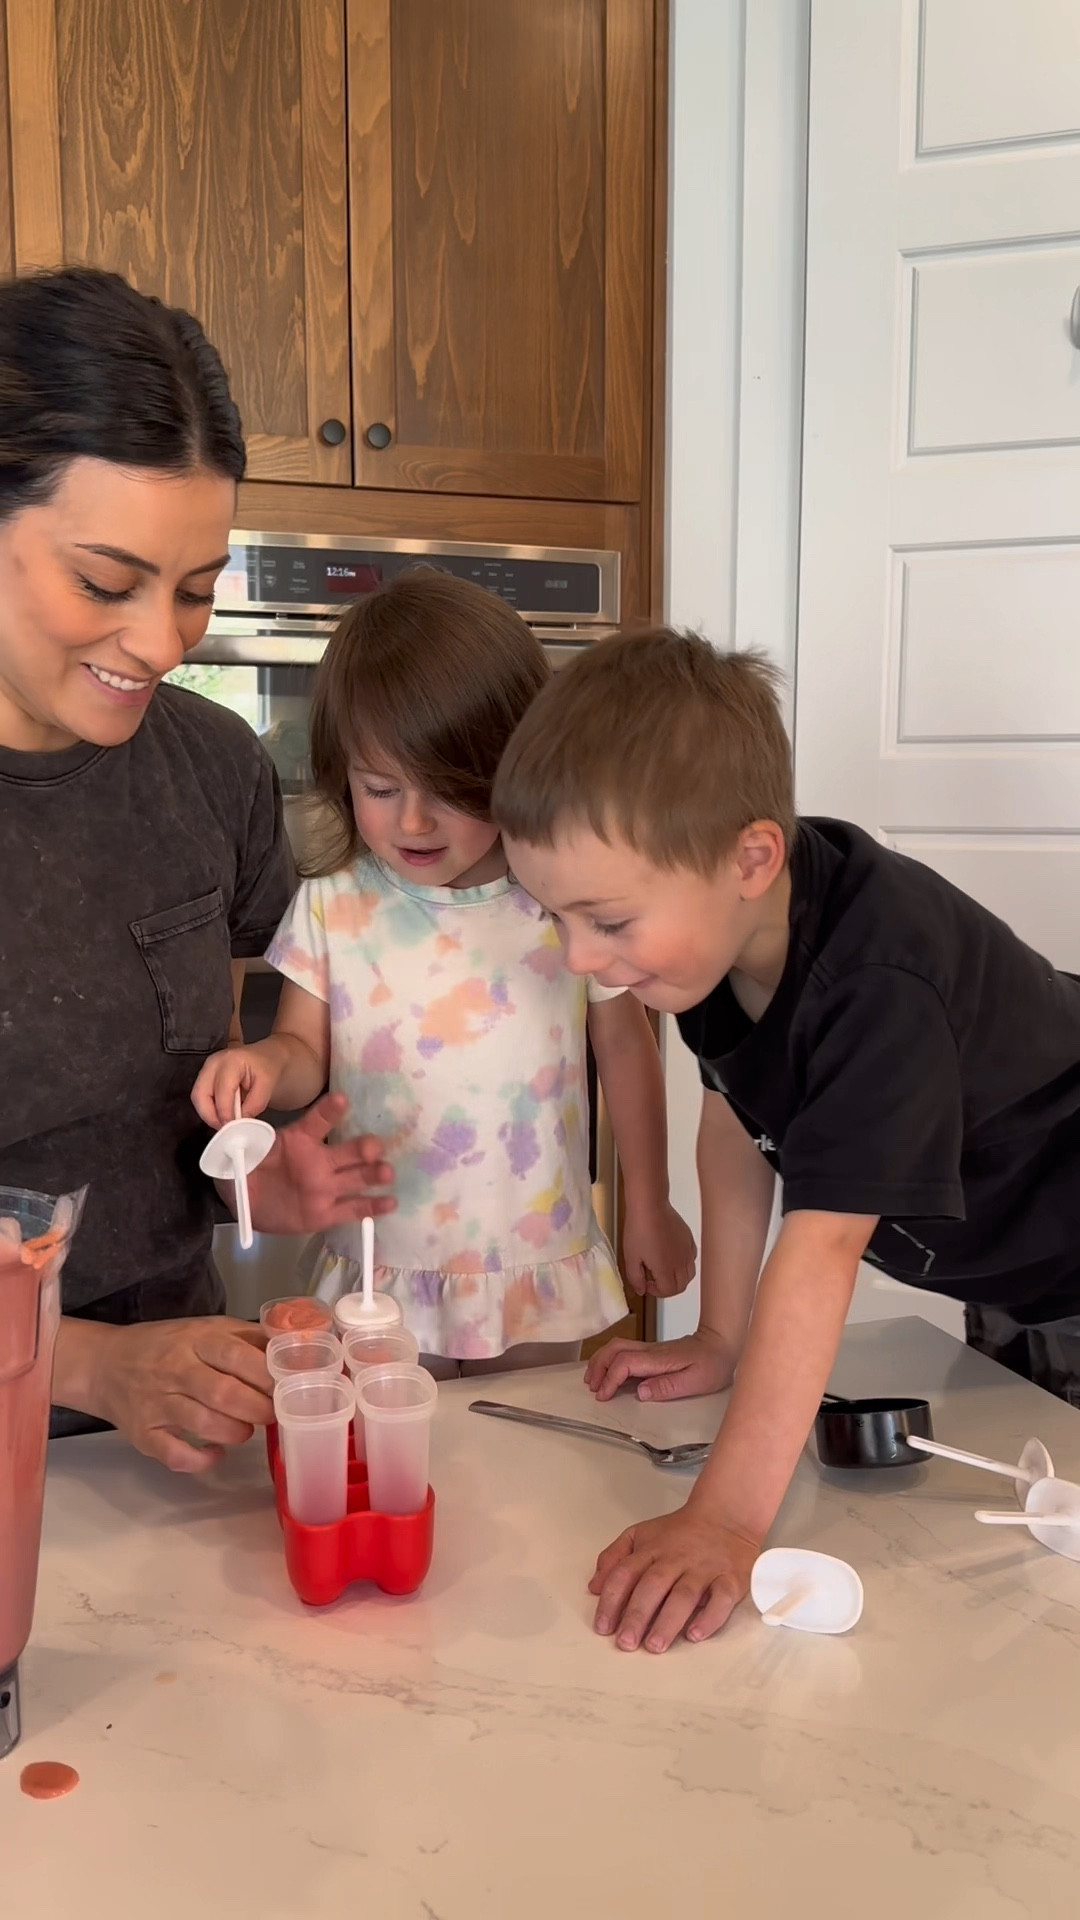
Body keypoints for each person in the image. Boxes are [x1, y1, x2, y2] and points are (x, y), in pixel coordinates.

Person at [491, 627, 1080, 1650]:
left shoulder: (876, 984)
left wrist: (725, 1520)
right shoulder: (719, 942)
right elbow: (738, 1124)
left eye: (609, 922)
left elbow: (822, 1249)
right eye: (556, 918)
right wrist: (720, 1336)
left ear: (750, 858)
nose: (581, 959)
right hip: (1010, 1266)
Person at [0, 266, 392, 1474]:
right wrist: (92, 1366)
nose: (162, 641)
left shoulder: (210, 767)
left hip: (178, 1422)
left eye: (196, 591)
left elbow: (203, 1078)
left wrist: (255, 1179)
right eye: (106, 584)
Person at [192, 573, 696, 1374]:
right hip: (379, 1267)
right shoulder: (334, 904)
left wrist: (651, 1204)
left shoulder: (560, 898)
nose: (414, 820)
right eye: (380, 788)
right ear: (341, 773)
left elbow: (627, 1050)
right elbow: (303, 1052)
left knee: (524, 1448)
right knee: (383, 1443)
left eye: (452, 790)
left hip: (535, 1263)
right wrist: (261, 1066)